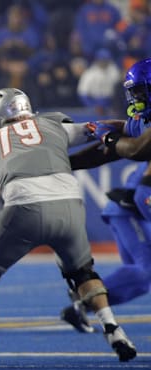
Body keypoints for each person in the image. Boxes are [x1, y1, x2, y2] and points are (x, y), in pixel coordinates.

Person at [0, 87, 136, 365]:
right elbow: (107, 126)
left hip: (24, 207)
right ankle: (115, 331)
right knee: (83, 273)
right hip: (71, 203)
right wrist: (135, 126)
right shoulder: (51, 125)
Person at [61, 57, 151, 333]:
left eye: (139, 91)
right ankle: (83, 300)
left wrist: (108, 136)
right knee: (145, 273)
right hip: (132, 207)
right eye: (134, 91)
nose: (135, 97)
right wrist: (67, 162)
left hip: (134, 204)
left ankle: (85, 301)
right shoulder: (142, 120)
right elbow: (115, 147)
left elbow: (133, 149)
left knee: (141, 276)